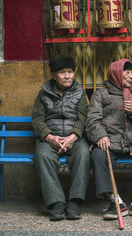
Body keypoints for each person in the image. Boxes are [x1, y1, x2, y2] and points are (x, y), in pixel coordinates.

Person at [86, 59, 132, 220]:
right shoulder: (101, 94)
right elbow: (92, 119)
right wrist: (100, 135)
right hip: (110, 138)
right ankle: (115, 201)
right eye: (126, 72)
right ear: (116, 73)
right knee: (98, 156)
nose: (130, 76)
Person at [32, 55, 90, 221]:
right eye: (62, 72)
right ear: (54, 75)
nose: (67, 76)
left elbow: (83, 117)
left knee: (83, 154)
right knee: (43, 155)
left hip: (74, 138)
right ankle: (56, 203)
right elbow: (37, 119)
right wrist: (49, 137)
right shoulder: (44, 93)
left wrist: (74, 136)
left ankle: (74, 202)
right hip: (51, 137)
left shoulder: (79, 92)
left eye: (70, 72)